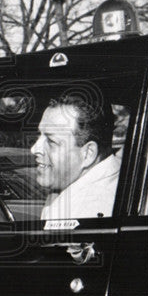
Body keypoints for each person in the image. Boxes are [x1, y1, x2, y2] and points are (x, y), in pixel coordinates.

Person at [30, 91, 121, 220]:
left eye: (51, 141)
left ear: (88, 153)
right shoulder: (107, 181)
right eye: (39, 135)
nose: (34, 149)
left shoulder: (86, 209)